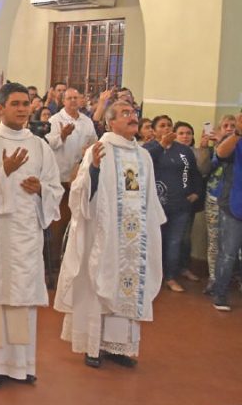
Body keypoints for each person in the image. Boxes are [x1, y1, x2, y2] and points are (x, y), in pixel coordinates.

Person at [0, 82, 63, 389]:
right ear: (2, 108)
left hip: (26, 232)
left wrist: (42, 189)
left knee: (22, 294)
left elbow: (55, 186)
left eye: (25, 104)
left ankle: (20, 365)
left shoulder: (39, 146)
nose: (22, 109)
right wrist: (2, 172)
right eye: (15, 104)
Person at [54, 100, 165, 368]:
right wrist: (93, 168)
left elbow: (149, 197)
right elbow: (80, 193)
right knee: (99, 282)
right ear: (110, 122)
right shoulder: (99, 149)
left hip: (133, 238)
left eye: (133, 113)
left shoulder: (143, 156)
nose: (132, 117)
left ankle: (118, 347)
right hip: (104, 234)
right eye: (125, 113)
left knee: (125, 285)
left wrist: (151, 227)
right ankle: (93, 346)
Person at [142, 115, 203, 292]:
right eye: (162, 125)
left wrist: (196, 192)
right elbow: (143, 166)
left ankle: (170, 277)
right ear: (154, 130)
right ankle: (153, 276)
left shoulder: (183, 150)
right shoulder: (148, 149)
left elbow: (194, 173)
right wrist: (161, 145)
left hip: (180, 205)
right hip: (156, 205)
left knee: (174, 241)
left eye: (169, 125)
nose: (167, 128)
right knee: (155, 241)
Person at [45, 87, 98, 258]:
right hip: (60, 177)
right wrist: (62, 136)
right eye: (70, 98)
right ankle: (55, 258)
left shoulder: (87, 121)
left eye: (76, 98)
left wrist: (89, 150)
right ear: (63, 101)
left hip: (80, 177)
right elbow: (48, 145)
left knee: (76, 220)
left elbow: (94, 142)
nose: (74, 101)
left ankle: (72, 257)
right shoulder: (55, 120)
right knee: (59, 221)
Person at [212, 111, 242, 311]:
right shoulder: (234, 139)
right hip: (234, 203)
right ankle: (220, 293)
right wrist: (237, 132)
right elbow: (221, 154)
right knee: (228, 253)